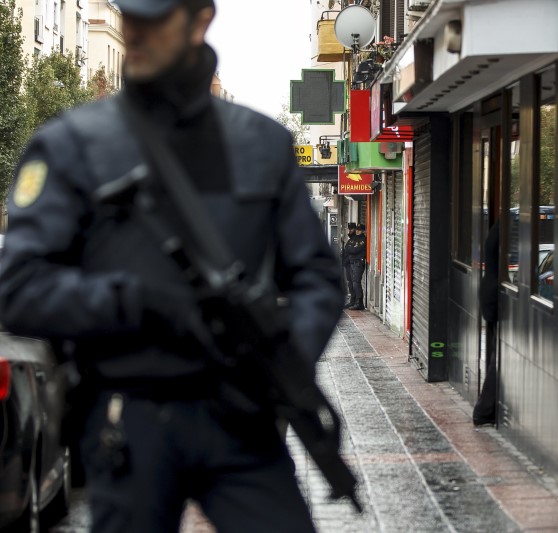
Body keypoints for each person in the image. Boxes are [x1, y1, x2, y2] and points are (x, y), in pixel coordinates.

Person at [0, 0, 343, 531]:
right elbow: (19, 287)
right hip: (130, 418)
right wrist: (130, 302)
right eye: (129, 17)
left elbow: (317, 279)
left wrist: (278, 361)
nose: (134, 33)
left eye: (153, 20)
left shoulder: (262, 145)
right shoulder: (71, 145)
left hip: (241, 417)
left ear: (199, 19)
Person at [473, 222, 500, 426]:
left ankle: (486, 408)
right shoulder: (505, 229)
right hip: (494, 295)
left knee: (495, 352)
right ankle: (484, 409)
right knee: (496, 357)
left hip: (488, 291)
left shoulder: (495, 229)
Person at [343, 223, 367, 311]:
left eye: (359, 230)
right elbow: (347, 248)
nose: (357, 231)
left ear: (363, 231)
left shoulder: (363, 240)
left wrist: (351, 249)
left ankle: (359, 302)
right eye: (356, 229)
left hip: (358, 263)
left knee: (356, 283)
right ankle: (354, 300)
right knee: (352, 283)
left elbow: (354, 249)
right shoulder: (353, 239)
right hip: (352, 263)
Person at [342, 222, 357, 308]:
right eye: (349, 229)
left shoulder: (355, 239)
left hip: (352, 263)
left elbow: (352, 252)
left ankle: (354, 301)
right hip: (348, 264)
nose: (350, 230)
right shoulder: (350, 239)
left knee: (353, 283)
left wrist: (347, 260)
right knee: (350, 283)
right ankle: (352, 300)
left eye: (351, 229)